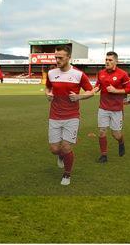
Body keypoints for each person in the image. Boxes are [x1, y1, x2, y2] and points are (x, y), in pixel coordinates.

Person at [45, 45, 94, 186]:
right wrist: (48, 94)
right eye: (56, 57)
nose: (57, 60)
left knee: (66, 147)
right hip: (54, 116)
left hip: (71, 117)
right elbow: (48, 87)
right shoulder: (51, 73)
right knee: (55, 149)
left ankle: (67, 174)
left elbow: (90, 91)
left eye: (60, 57)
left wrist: (79, 96)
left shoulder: (78, 74)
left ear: (69, 58)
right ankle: (61, 156)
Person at [93, 51, 130, 163]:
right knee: (102, 131)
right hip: (103, 108)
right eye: (106, 59)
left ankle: (121, 142)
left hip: (116, 109)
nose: (107, 62)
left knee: (116, 134)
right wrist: (94, 90)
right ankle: (104, 155)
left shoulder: (123, 74)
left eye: (110, 60)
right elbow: (98, 85)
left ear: (116, 61)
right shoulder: (101, 72)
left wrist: (116, 90)